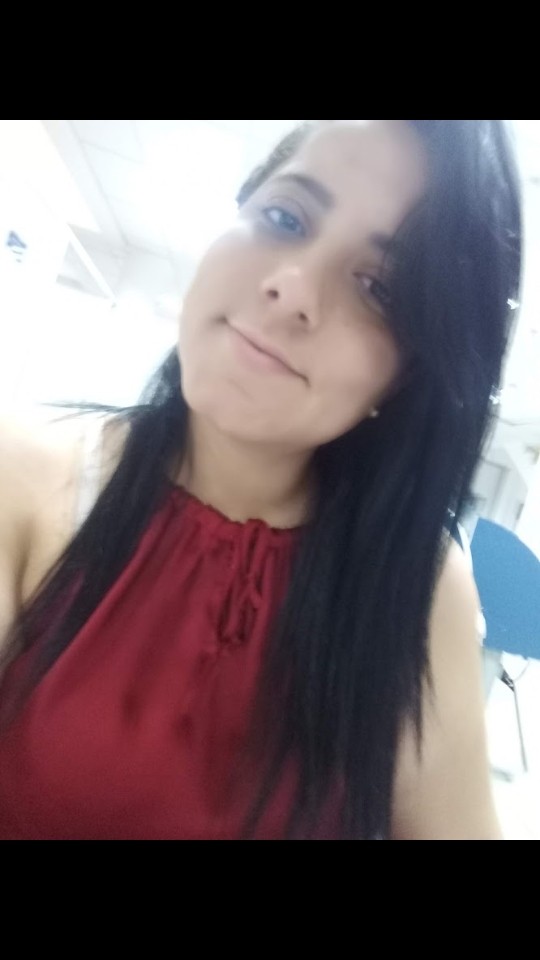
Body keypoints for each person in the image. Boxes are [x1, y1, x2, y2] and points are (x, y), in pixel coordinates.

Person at [0, 120, 522, 840]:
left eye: (378, 286)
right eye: (285, 217)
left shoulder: (419, 592)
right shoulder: (24, 478)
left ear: (405, 376)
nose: (293, 286)